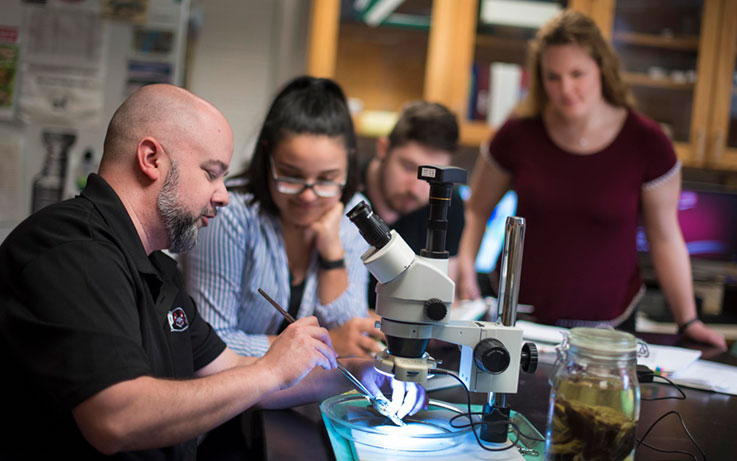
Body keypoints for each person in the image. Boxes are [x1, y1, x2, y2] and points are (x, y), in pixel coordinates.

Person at [0, 84, 426, 459]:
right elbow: (117, 418)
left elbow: (227, 367)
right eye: (211, 174)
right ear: (151, 159)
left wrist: (364, 377)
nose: (223, 196)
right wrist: (269, 370)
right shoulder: (71, 249)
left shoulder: (155, 267)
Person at [455, 10, 726, 350]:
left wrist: (689, 321)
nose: (566, 89)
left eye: (577, 74)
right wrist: (465, 261)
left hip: (608, 327)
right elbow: (478, 209)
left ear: (602, 68)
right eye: (553, 77)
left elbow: (665, 237)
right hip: (518, 319)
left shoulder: (646, 141)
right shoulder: (518, 134)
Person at [184, 76, 383, 359]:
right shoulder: (228, 214)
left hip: (310, 396)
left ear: (349, 163)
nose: (308, 196)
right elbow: (210, 341)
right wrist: (319, 347)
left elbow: (351, 334)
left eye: (327, 179)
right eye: (291, 175)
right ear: (268, 157)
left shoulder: (353, 208)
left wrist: (332, 255)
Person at [361, 100, 465, 309]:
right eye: (409, 167)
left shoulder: (447, 202)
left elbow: (444, 299)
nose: (416, 188)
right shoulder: (345, 195)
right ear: (383, 148)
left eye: (433, 176)